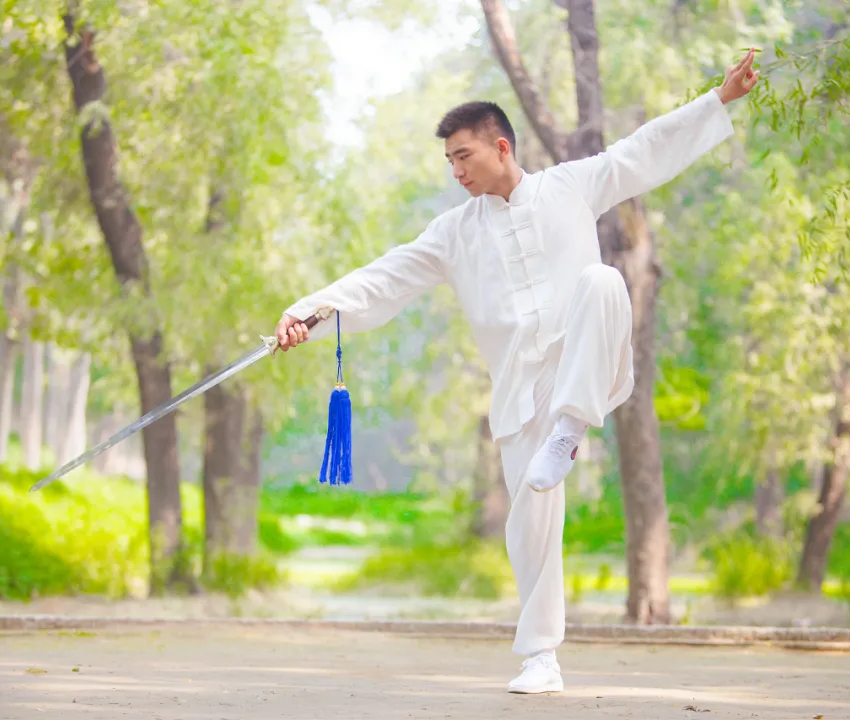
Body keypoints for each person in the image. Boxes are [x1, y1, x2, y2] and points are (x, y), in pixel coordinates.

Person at [276, 50, 760, 694]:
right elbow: (386, 276)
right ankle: (541, 659)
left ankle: (571, 429)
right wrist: (308, 313)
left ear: (500, 146)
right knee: (529, 522)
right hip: (519, 391)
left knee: (602, 279)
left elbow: (643, 150)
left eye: (463, 157)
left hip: (585, 358)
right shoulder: (453, 232)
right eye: (449, 161)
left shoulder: (571, 185)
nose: (456, 171)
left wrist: (719, 99)